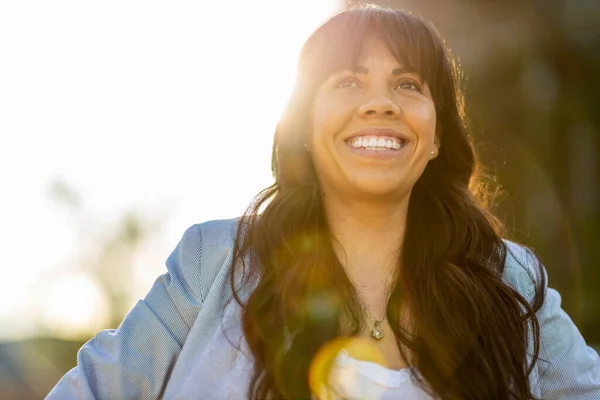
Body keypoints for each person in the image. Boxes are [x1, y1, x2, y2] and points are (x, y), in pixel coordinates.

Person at [47, 5, 600, 400]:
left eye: (408, 84)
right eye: (348, 82)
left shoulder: (510, 279)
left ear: (435, 138)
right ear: (306, 128)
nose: (380, 103)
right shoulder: (212, 259)